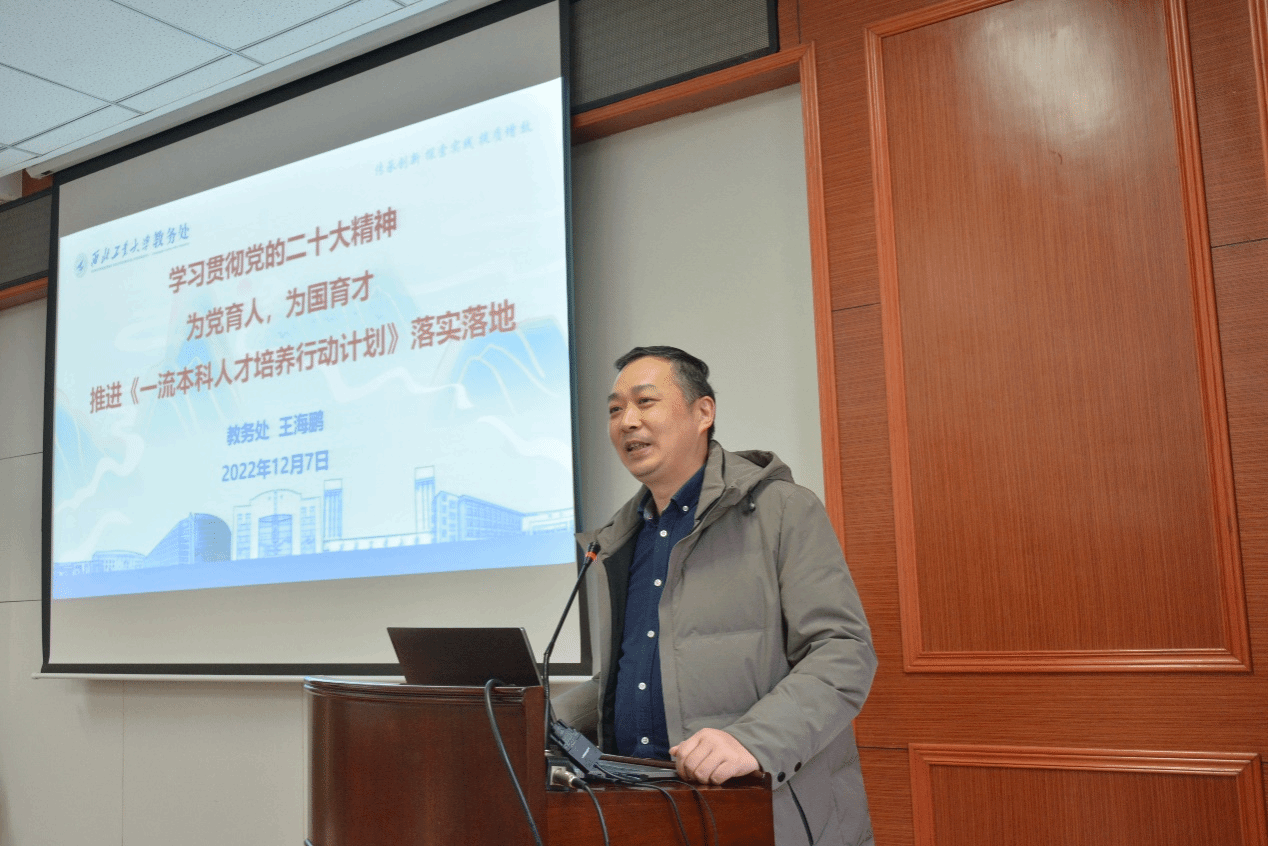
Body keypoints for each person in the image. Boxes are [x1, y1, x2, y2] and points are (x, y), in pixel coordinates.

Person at [554, 346, 877, 846]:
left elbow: (843, 651)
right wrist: (537, 719)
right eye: (615, 409)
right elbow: (635, 673)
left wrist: (752, 741)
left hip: (759, 807)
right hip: (637, 805)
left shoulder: (783, 510)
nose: (627, 421)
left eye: (645, 402)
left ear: (703, 412)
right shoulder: (620, 540)